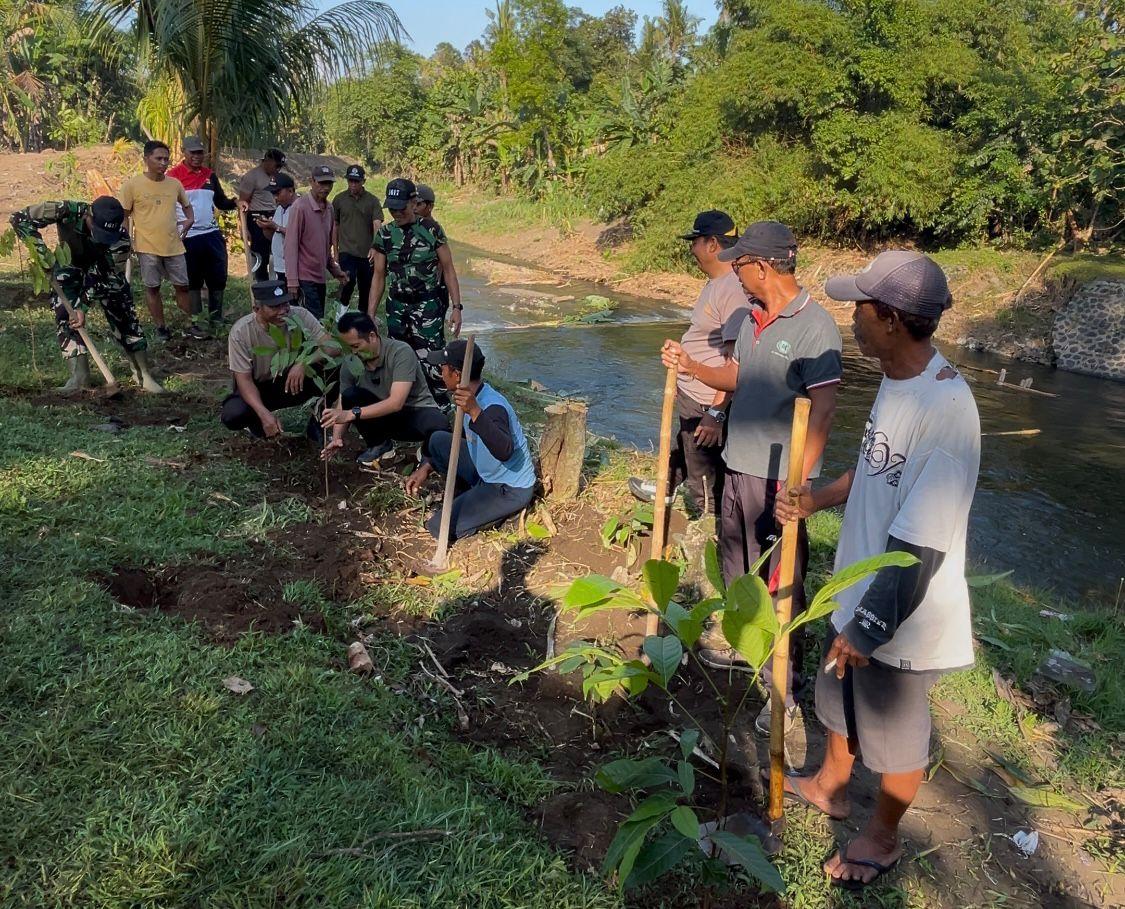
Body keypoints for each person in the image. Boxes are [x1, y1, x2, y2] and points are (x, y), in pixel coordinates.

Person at [771, 251, 978, 891]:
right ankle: (831, 785)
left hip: (901, 607)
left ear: (888, 317)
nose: (851, 317)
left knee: (895, 731)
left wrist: (867, 626)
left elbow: (922, 548)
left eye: (858, 307)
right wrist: (819, 499)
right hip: (858, 583)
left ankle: (882, 838)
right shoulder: (896, 378)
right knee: (837, 698)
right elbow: (875, 467)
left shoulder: (946, 410)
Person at [661, 221, 842, 734]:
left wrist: (800, 486)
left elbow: (824, 412)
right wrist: (691, 366)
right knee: (738, 568)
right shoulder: (752, 319)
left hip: (780, 480)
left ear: (761, 266)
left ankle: (784, 689)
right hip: (738, 467)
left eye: (739, 265)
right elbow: (737, 377)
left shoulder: (816, 329)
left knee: (782, 584)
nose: (734, 273)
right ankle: (748, 649)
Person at [628, 210, 748, 517]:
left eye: (695, 242)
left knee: (703, 479)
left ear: (712, 244)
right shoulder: (717, 282)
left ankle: (708, 528)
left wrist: (716, 413)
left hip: (707, 401)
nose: (691, 249)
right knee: (683, 449)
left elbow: (735, 361)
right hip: (694, 393)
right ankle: (666, 487)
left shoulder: (733, 290)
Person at [10, 197, 163, 393]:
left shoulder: (121, 240)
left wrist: (82, 306)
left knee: (124, 314)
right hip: (70, 266)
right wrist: (41, 252)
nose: (101, 238)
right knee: (66, 314)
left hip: (104, 273)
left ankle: (143, 373)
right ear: (88, 216)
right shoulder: (67, 210)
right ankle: (79, 377)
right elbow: (20, 218)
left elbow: (104, 276)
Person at [404, 339, 536, 543]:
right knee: (437, 440)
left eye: (443, 368)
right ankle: (471, 493)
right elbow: (466, 437)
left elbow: (505, 451)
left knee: (439, 526)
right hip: (484, 469)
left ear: (457, 374)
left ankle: (494, 515)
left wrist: (475, 412)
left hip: (507, 487)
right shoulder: (468, 396)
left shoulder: (491, 406)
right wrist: (426, 467)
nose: (440, 372)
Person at [369, 178, 463, 404]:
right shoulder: (385, 234)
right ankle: (405, 405)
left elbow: (449, 269)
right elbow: (379, 276)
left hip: (427, 307)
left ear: (413, 202)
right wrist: (370, 314)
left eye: (400, 208)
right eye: (392, 209)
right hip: (396, 308)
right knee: (400, 359)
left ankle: (440, 408)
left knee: (433, 361)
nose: (396, 213)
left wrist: (456, 307)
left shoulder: (431, 230)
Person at [319, 311, 449, 466]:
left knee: (439, 424)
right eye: (349, 347)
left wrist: (352, 414)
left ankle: (428, 454)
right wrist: (336, 438)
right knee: (350, 395)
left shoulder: (400, 352)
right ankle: (379, 444)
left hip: (413, 412)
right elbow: (342, 404)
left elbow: (396, 403)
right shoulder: (351, 362)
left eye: (356, 346)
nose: (353, 352)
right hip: (379, 416)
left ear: (372, 336)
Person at [220, 279, 336, 440]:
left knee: (334, 369)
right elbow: (244, 380)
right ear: (257, 309)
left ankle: (317, 422)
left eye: (285, 304)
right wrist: (263, 413)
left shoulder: (299, 315)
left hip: (292, 380)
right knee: (233, 414)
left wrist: (304, 362)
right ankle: (258, 421)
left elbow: (332, 346)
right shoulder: (241, 332)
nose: (283, 311)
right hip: (260, 386)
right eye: (275, 307)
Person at [117, 140, 195, 341]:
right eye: (158, 158)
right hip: (147, 246)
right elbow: (124, 214)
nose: (163, 163)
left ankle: (190, 323)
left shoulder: (174, 184)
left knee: (183, 286)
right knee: (152, 287)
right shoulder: (132, 185)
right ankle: (161, 327)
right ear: (146, 159)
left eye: (166, 159)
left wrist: (189, 220)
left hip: (174, 245)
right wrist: (126, 238)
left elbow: (187, 207)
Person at [167, 136, 237, 337]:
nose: (197, 156)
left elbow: (221, 202)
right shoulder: (173, 177)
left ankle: (216, 318)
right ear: (184, 152)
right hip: (188, 236)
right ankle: (196, 321)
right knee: (192, 278)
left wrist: (236, 203)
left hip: (211, 234)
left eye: (200, 153)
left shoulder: (209, 176)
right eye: (193, 153)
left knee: (218, 275)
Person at [283, 165, 347, 319]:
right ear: (311, 181)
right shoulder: (300, 207)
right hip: (304, 277)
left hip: (320, 276)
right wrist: (292, 281)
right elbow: (290, 246)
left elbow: (325, 246)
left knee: (317, 320)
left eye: (329, 184)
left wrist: (334, 270)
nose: (326, 188)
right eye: (321, 183)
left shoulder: (329, 208)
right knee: (313, 322)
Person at [333, 164, 383, 310]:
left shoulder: (372, 201)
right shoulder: (339, 199)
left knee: (365, 287)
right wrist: (335, 251)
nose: (353, 184)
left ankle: (363, 315)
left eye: (356, 181)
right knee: (348, 281)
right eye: (350, 181)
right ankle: (341, 312)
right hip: (346, 250)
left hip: (366, 253)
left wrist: (375, 247)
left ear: (363, 181)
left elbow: (377, 224)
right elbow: (335, 226)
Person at [238, 148, 285, 280]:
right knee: (260, 255)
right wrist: (243, 228)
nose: (278, 169)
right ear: (268, 161)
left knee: (276, 252)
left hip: (274, 215)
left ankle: (276, 283)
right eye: (277, 165)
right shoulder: (251, 177)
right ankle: (260, 284)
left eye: (280, 167)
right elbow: (242, 203)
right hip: (257, 217)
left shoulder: (277, 176)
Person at [260, 173, 296, 285]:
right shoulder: (280, 208)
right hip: (279, 264)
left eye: (277, 193)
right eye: (273, 193)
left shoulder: (300, 208)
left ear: (290, 191)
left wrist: (276, 227)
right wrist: (266, 227)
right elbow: (272, 237)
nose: (275, 197)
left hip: (294, 266)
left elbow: (298, 235)